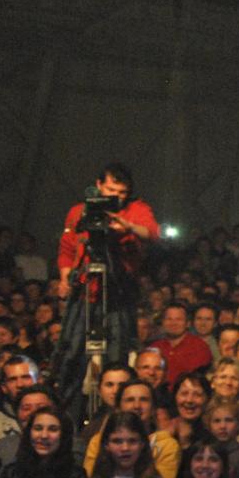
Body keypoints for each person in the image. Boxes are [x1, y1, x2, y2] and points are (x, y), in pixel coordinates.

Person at [50, 164, 157, 416]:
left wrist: (128, 227)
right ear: (98, 185)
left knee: (116, 357)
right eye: (110, 190)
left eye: (121, 192)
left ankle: (117, 414)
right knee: (71, 354)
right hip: (85, 291)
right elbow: (67, 248)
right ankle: (64, 413)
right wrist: (65, 278)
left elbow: (152, 233)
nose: (116, 197)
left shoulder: (135, 209)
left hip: (118, 292)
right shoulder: (80, 211)